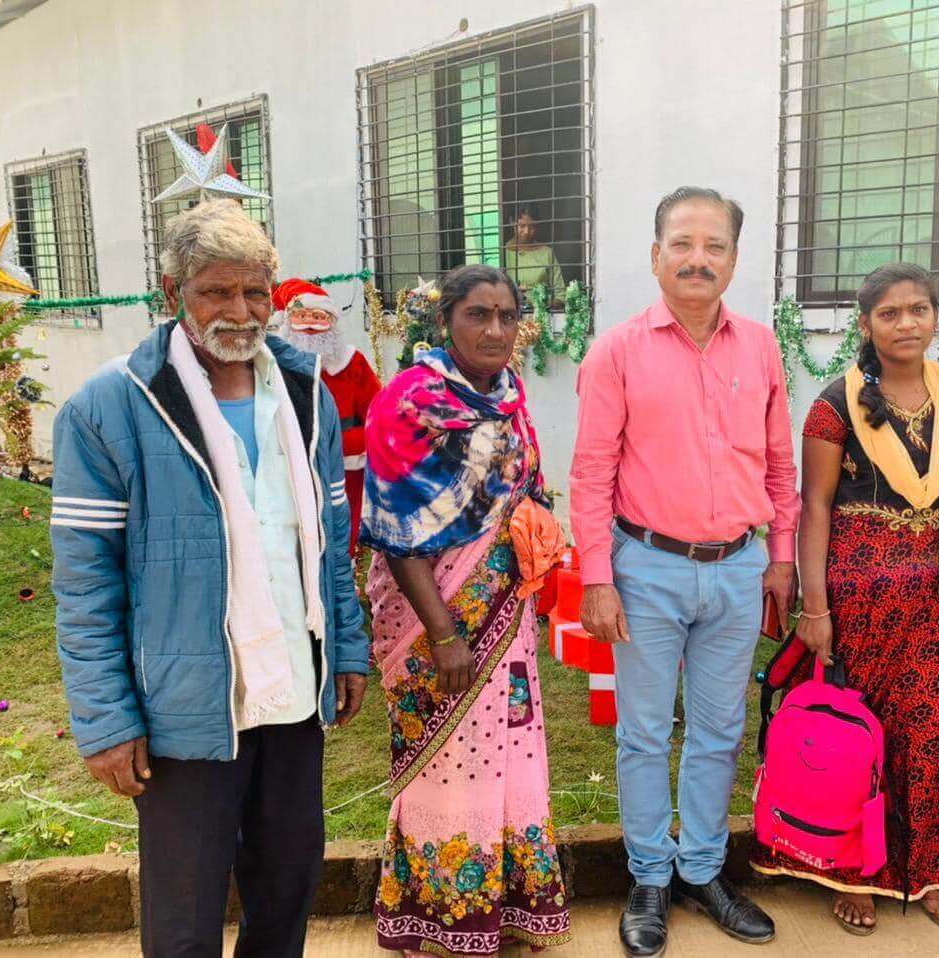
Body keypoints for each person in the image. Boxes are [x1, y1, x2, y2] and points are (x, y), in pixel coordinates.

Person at [49, 199, 369, 957]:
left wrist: (348, 649)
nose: (241, 311)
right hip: (184, 710)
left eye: (255, 292)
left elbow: (330, 544)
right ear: (173, 294)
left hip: (293, 691)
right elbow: (86, 584)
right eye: (216, 291)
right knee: (185, 915)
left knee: (287, 884)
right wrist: (106, 720)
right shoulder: (111, 406)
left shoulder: (304, 395)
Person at [570, 186, 799, 957]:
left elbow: (779, 464)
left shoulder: (759, 347)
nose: (698, 259)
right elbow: (591, 472)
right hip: (645, 570)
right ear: (656, 254)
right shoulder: (616, 351)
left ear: (733, 259)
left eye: (715, 246)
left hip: (737, 570)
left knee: (719, 729)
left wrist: (781, 558)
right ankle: (648, 877)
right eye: (683, 244)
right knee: (642, 733)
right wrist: (597, 577)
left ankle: (701, 869)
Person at [752, 262, 939, 934]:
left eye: (919, 309)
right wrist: (815, 608)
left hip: (937, 599)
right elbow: (815, 507)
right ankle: (851, 872)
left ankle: (928, 873)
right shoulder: (836, 404)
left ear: (936, 318)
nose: (906, 323)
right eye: (889, 313)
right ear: (866, 325)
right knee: (857, 738)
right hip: (858, 602)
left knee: (929, 737)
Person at [362, 264, 571, 957]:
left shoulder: (509, 397)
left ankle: (507, 905)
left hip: (508, 612)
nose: (495, 329)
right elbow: (394, 532)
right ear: (445, 320)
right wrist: (445, 634)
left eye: (507, 316)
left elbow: (525, 491)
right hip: (435, 619)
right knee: (446, 761)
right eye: (478, 314)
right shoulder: (407, 402)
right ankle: (441, 914)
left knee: (511, 752)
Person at [274, 277, 382, 555]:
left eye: (319, 317)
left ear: (332, 322)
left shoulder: (352, 363)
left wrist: (345, 444)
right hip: (291, 462)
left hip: (347, 465)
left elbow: (378, 415)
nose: (310, 324)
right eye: (301, 317)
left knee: (343, 533)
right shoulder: (273, 365)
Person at [504, 205, 567, 299]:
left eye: (532, 227)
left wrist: (539, 304)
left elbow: (561, 295)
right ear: (511, 221)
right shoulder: (503, 251)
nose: (527, 231)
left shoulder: (546, 253)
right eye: (522, 226)